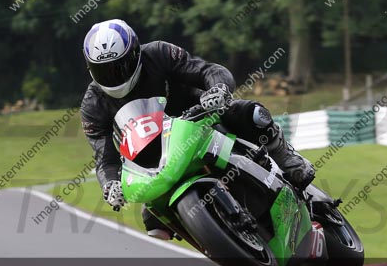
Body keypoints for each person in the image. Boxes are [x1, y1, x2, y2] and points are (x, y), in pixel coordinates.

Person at [80, 19, 315, 240]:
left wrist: (218, 89)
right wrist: (109, 184)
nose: (114, 76)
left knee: (252, 114)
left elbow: (207, 70)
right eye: (105, 71)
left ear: (135, 53)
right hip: (154, 161)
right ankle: (211, 237)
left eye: (120, 66)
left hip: (199, 117)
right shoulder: (92, 105)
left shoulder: (159, 53)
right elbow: (105, 158)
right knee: (153, 221)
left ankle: (287, 159)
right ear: (90, 69)